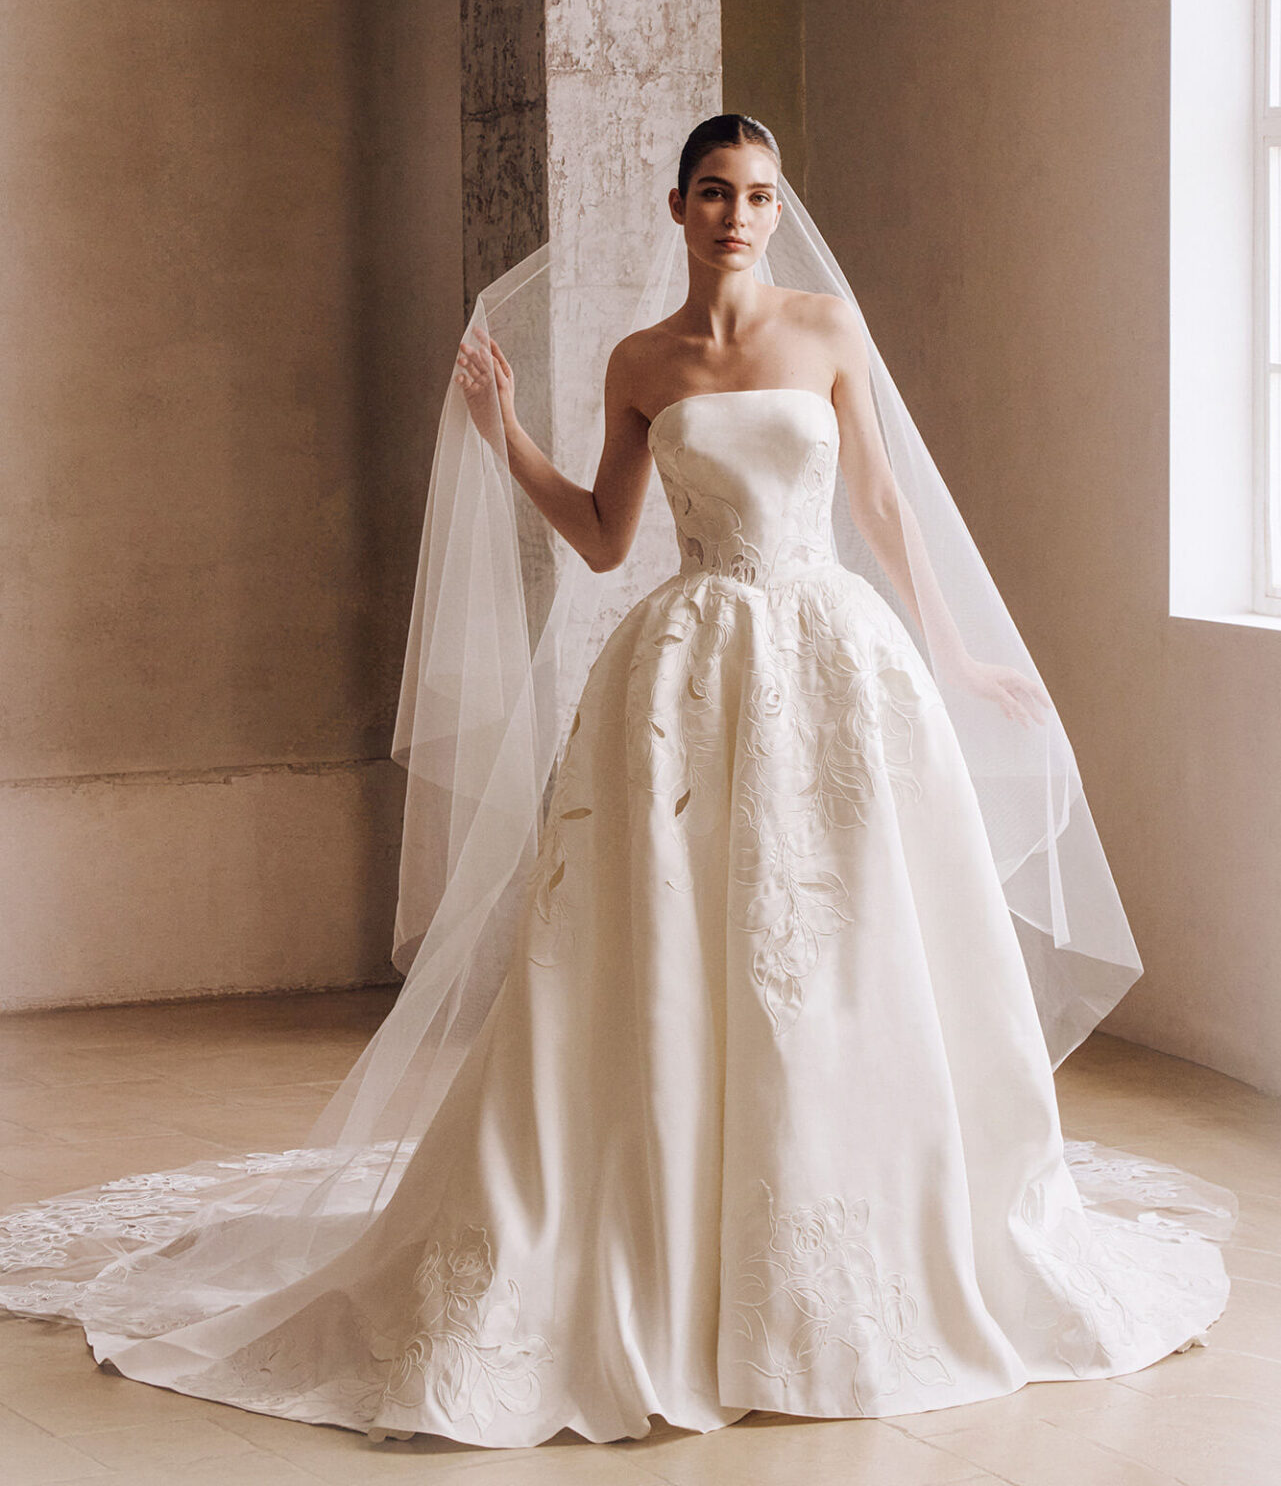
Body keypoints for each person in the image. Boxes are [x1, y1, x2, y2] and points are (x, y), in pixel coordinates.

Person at [0, 116, 1236, 1446]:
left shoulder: (825, 327)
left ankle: (845, 1230)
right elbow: (602, 540)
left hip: (825, 662)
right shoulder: (640, 361)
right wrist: (501, 432)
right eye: (715, 192)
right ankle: (663, 1220)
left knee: (841, 944)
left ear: (775, 207)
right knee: (674, 948)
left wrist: (957, 654)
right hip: (689, 674)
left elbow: (878, 506)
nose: (738, 215)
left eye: (758, 194)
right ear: (677, 205)